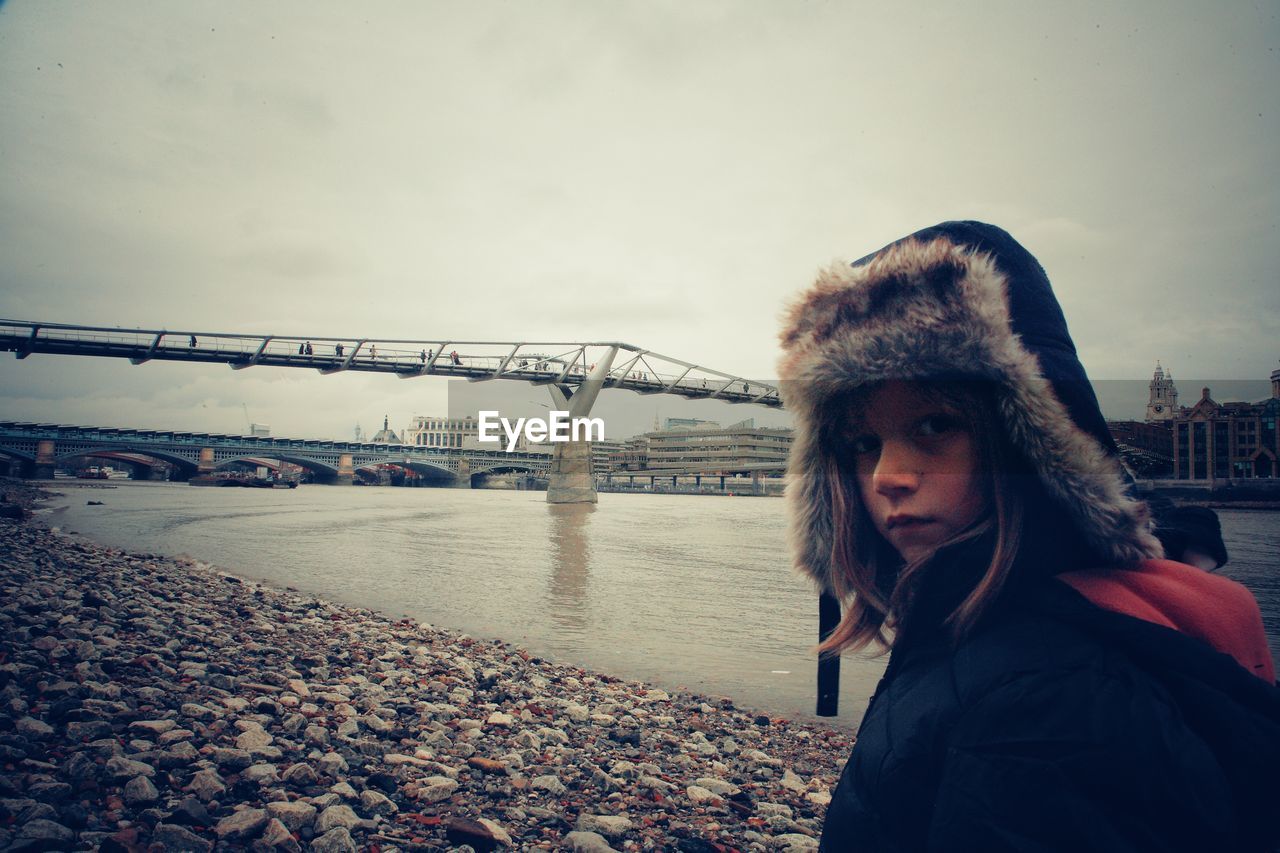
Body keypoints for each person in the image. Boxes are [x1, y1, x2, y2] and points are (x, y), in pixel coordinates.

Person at [777, 221, 1280, 851]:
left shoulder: (1045, 705)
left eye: (935, 425)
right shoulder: (981, 627)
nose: (887, 477)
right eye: (862, 443)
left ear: (1030, 440)